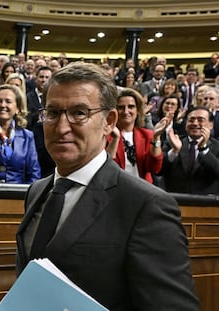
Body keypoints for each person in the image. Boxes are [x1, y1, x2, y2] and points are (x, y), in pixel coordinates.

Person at [16, 62, 199, 310]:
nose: (61, 127)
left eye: (79, 113)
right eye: (53, 112)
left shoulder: (147, 205)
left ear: (109, 121)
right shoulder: (37, 191)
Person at [106, 88, 164, 183]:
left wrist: (156, 137)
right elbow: (105, 168)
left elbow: (154, 168)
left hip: (142, 191)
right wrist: (115, 139)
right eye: (121, 107)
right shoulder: (106, 135)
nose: (126, 111)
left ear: (138, 111)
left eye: (131, 107)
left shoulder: (147, 135)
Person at [160, 106, 219, 195]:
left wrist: (204, 149)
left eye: (200, 120)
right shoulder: (173, 141)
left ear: (211, 125)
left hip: (207, 204)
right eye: (191, 120)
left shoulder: (217, 146)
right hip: (176, 200)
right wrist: (174, 151)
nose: (195, 123)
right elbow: (159, 170)